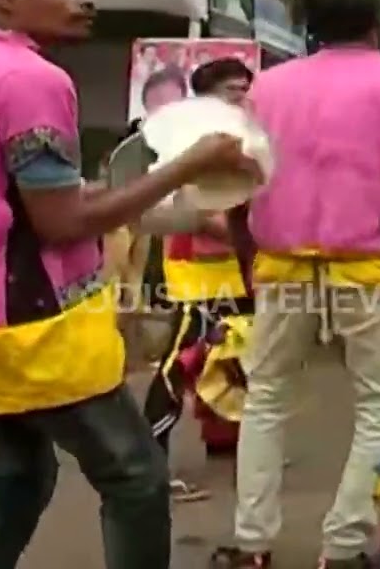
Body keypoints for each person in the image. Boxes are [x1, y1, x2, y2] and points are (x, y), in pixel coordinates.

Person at [0, 0, 260, 569]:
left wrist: (130, 184)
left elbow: (14, 195)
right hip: (29, 330)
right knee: (134, 477)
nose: (84, 2)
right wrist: (190, 165)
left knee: (13, 483)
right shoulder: (31, 79)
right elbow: (63, 222)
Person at [210, 0, 380, 569]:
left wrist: (247, 267)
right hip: (372, 268)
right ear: (377, 24)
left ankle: (251, 543)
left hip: (281, 266)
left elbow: (241, 187)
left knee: (264, 401)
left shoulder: (265, 88)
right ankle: (343, 548)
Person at [139, 57, 258, 501]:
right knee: (179, 366)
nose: (243, 97)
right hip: (198, 272)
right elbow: (199, 214)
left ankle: (227, 440)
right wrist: (256, 240)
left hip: (234, 271)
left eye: (246, 88)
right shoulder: (195, 141)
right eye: (233, 90)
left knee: (235, 354)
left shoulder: (240, 138)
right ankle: (148, 464)